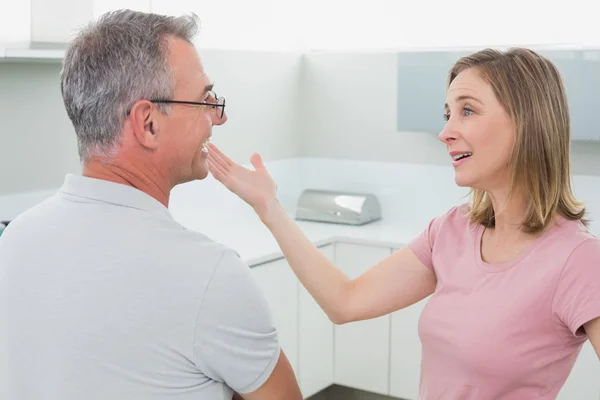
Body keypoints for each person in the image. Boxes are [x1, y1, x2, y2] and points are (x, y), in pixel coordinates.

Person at [207, 47, 600, 399]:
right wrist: (269, 207)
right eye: (448, 114)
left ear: (527, 121)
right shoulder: (451, 231)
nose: (446, 132)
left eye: (467, 110)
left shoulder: (578, 260)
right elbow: (345, 301)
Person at [0, 9, 302, 400]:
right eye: (204, 100)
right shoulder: (210, 277)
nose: (219, 117)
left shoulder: (15, 240)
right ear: (148, 124)